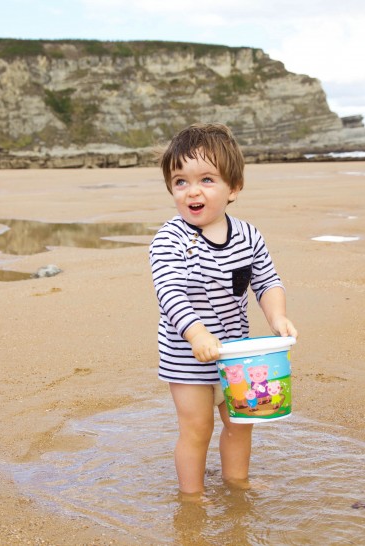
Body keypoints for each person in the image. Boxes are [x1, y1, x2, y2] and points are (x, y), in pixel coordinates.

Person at [149, 122, 298, 495]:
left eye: (207, 179)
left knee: (240, 423)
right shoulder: (170, 239)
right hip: (189, 356)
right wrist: (197, 333)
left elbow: (267, 282)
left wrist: (277, 316)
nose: (192, 191)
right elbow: (170, 293)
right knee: (196, 428)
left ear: (234, 188)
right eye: (180, 181)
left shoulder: (248, 235)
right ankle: (193, 494)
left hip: (237, 353)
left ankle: (236, 481)